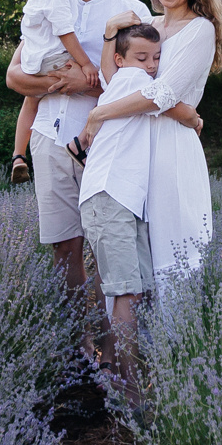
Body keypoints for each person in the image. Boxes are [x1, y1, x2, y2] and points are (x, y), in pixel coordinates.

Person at [4, 0, 150, 297]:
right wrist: (62, 83)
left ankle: (107, 331)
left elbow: (145, 87)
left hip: (104, 142)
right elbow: (14, 77)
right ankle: (73, 332)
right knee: (64, 246)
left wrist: (86, 84)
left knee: (107, 245)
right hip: (48, 136)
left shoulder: (132, 12)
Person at [77, 0, 222, 278]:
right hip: (135, 148)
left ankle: (179, 315)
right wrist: (109, 34)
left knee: (174, 249)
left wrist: (100, 113)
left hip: (170, 149)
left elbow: (161, 94)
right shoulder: (148, 26)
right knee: (137, 256)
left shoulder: (200, 29)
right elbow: (115, 81)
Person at [74, 21, 162, 393]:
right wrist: (193, 117)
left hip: (121, 197)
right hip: (109, 195)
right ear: (122, 61)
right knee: (126, 292)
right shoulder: (131, 81)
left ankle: (125, 376)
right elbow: (165, 97)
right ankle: (132, 390)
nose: (151, 65)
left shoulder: (120, 83)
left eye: (157, 57)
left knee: (134, 291)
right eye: (142, 57)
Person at [9, 0, 98, 185]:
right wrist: (85, 64)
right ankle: (80, 144)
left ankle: (18, 155)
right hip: (52, 58)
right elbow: (65, 33)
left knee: (31, 100)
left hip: (33, 59)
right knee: (95, 84)